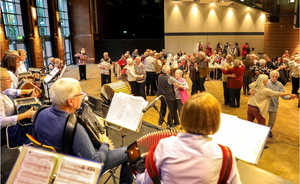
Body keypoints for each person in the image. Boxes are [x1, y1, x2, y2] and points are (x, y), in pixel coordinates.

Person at [34, 78, 133, 184]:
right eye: (80, 95)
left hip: (52, 166)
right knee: (130, 151)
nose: (82, 97)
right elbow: (94, 162)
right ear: (70, 101)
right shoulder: (75, 129)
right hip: (76, 170)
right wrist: (105, 144)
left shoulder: (40, 113)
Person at [136, 93, 241, 184]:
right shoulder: (224, 155)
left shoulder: (164, 146)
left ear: (184, 117)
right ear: (215, 121)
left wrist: (138, 173)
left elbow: (147, 182)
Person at [0, 67, 35, 146]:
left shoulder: (2, 92)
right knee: (32, 126)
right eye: (8, 79)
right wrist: (25, 115)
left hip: (7, 126)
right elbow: (1, 121)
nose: (11, 81)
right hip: (4, 131)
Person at [255, 71, 295, 137]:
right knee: (262, 120)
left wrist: (290, 97)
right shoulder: (266, 82)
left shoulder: (279, 85)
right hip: (265, 105)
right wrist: (252, 90)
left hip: (274, 105)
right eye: (273, 76)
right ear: (270, 76)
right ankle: (261, 133)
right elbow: (256, 87)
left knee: (272, 122)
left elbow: (283, 95)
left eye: (276, 77)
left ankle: (268, 130)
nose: (274, 78)